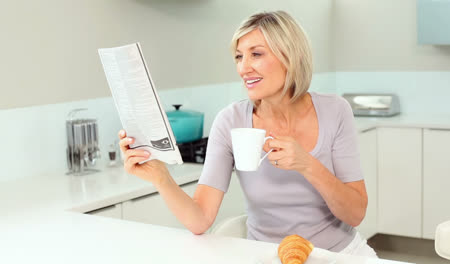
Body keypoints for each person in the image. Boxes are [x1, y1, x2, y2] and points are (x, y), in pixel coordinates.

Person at [119, 11, 377, 257]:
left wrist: (308, 164)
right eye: (239, 57)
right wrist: (161, 178)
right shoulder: (229, 121)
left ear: (291, 57)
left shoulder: (335, 110)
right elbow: (200, 219)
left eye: (256, 54)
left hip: (339, 254)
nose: (244, 68)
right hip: (267, 256)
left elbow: (355, 214)